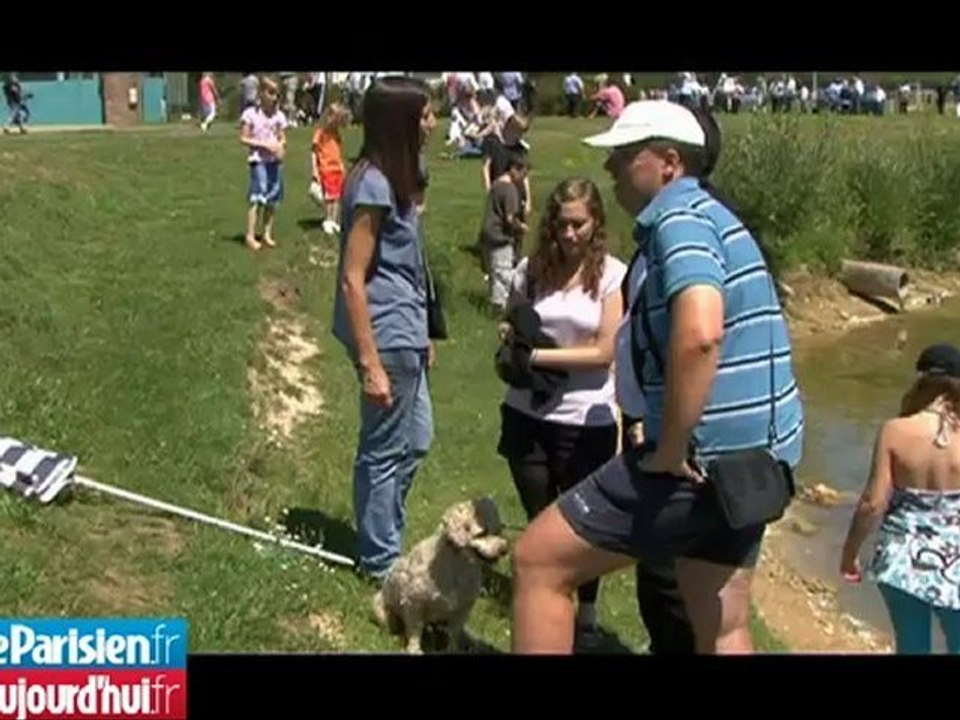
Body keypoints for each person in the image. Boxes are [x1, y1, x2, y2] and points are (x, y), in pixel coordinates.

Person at [510, 99, 804, 654]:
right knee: (722, 619)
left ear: (668, 162)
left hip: (697, 461)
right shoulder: (720, 218)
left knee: (538, 562)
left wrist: (669, 448)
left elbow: (700, 334)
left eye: (623, 155)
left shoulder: (679, 219)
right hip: (757, 464)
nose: (611, 168)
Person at [496, 178, 626, 650]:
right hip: (527, 414)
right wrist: (511, 339)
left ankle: (585, 614)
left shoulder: (613, 275)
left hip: (586, 417)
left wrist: (537, 359)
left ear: (596, 225)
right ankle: (547, 608)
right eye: (562, 223)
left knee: (583, 525)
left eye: (579, 224)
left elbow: (604, 352)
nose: (569, 234)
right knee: (540, 517)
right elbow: (513, 321)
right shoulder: (532, 270)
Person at [331, 76, 438, 582]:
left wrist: (423, 335)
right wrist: (369, 361)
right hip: (385, 329)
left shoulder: (401, 177)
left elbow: (409, 263)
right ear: (402, 121)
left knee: (416, 439)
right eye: (425, 115)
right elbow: (354, 279)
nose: (434, 123)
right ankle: (379, 562)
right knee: (383, 448)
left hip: (407, 330)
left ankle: (383, 536)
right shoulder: (372, 184)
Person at [840, 344, 960, 654]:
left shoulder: (895, 431)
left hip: (901, 560)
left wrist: (850, 552)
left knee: (912, 644)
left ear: (920, 380)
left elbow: (873, 504)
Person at [239, 77, 287, 252]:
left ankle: (266, 233)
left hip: (275, 162)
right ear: (261, 93)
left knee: (273, 198)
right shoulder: (250, 114)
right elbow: (243, 138)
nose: (274, 97)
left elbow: (282, 137)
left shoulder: (279, 116)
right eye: (270, 92)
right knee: (257, 197)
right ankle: (250, 235)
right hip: (258, 161)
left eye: (276, 94)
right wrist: (265, 145)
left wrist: (280, 147)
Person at [479, 155, 529, 311]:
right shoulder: (510, 190)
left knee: (494, 272)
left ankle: (495, 302)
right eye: (523, 174)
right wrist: (521, 227)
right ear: (514, 169)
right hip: (501, 236)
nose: (523, 178)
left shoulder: (496, 184)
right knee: (504, 273)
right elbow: (509, 218)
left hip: (487, 233)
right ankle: (505, 305)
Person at [310, 102, 350, 235]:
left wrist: (341, 165)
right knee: (329, 196)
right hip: (326, 169)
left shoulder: (336, 134)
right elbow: (314, 152)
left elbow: (338, 151)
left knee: (337, 196)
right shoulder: (320, 133)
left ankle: (334, 220)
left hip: (336, 169)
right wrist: (314, 170)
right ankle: (327, 219)